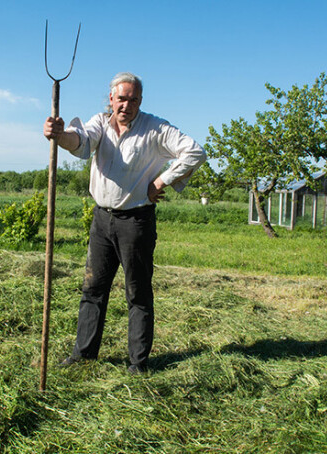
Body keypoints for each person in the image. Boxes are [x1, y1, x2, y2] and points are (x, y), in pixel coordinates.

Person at [43, 72, 206, 374]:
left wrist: (162, 180)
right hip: (102, 220)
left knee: (138, 292)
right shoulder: (100, 123)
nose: (126, 105)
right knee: (92, 289)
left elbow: (195, 151)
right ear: (111, 99)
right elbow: (80, 144)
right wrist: (59, 135)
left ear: (140, 101)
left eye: (133, 100)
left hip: (136, 221)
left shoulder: (155, 128)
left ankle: (138, 363)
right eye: (121, 99)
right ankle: (84, 353)